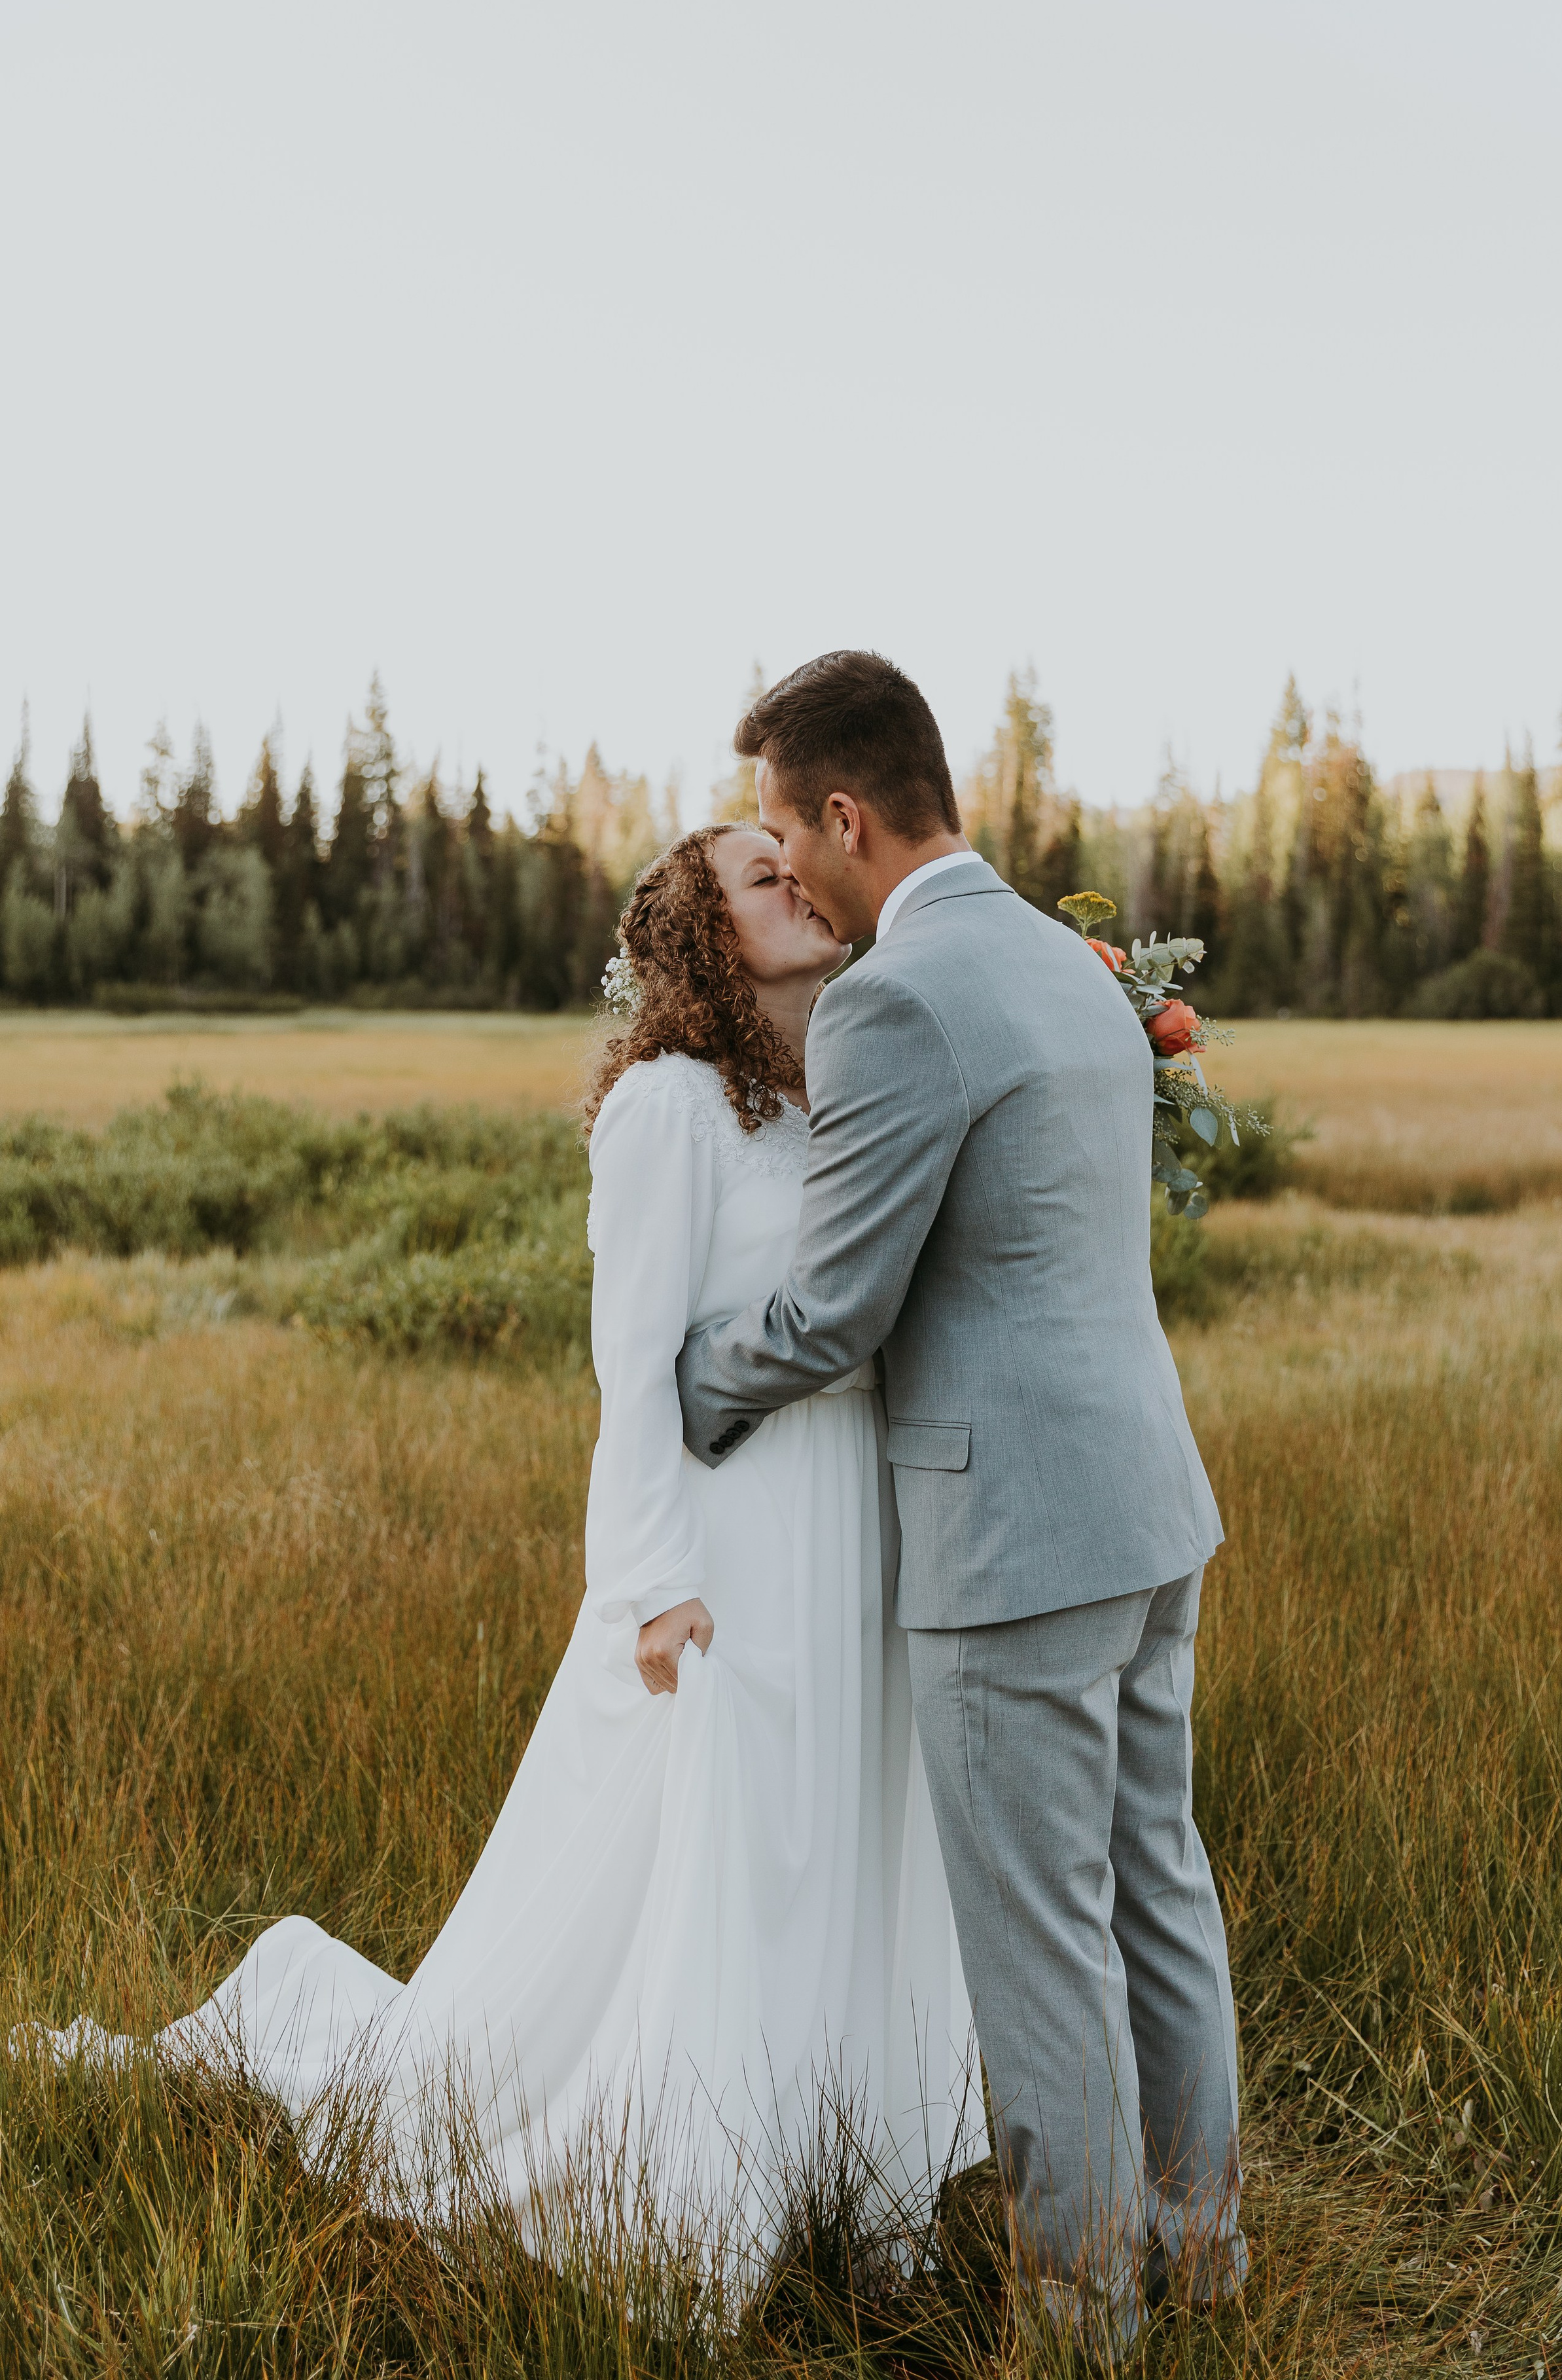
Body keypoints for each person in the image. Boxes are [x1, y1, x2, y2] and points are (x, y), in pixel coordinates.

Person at [30, 822, 982, 2255]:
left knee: (831, 1833)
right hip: (732, 1537)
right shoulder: (667, 1106)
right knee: (731, 1848)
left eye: (793, 861)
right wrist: (651, 1585)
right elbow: (631, 1363)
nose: (794, 881)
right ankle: (684, 2186)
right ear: (706, 939)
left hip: (853, 1517)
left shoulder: (823, 1099)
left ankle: (832, 2171)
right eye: (756, 877)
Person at [675, 650, 1245, 2338]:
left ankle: (1083, 2323)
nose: (784, 871)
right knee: (1158, 1888)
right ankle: (1204, 2269)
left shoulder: (893, 1000)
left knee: (1037, 1942)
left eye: (786, 841)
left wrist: (682, 1381)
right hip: (1146, 1502)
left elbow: (838, 1310)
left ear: (845, 816)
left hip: (1009, 1536)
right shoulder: (1070, 967)